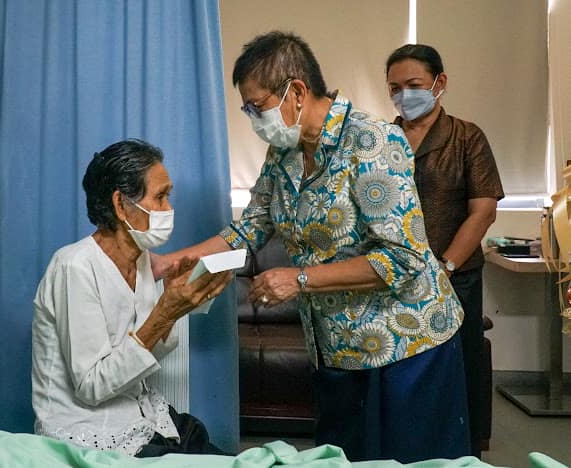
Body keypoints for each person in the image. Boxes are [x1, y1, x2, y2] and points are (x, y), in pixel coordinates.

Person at [158, 31, 470, 463]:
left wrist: (300, 279)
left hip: (406, 346)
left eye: (257, 106)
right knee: (340, 459)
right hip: (336, 348)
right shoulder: (284, 152)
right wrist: (166, 262)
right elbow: (250, 228)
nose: (254, 119)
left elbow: (404, 259)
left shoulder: (372, 142)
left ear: (297, 92)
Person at [31, 139, 232, 457]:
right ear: (121, 204)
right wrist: (165, 312)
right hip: (90, 431)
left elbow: (149, 351)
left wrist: (177, 307)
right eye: (160, 197)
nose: (169, 209)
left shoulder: (140, 260)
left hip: (145, 416)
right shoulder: (74, 267)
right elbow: (92, 386)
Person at [385, 44, 505, 458]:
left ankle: (462, 458)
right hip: (393, 278)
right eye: (395, 88)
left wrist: (445, 266)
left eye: (414, 85)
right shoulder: (381, 139)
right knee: (400, 376)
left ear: (440, 83)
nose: (404, 95)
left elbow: (483, 210)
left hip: (456, 278)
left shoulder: (466, 137)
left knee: (458, 372)